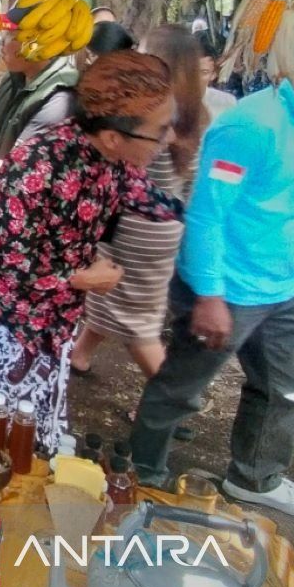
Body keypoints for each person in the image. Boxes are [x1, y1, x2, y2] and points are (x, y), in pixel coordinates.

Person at [129, 10, 294, 522]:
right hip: (229, 286)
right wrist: (209, 295)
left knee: (283, 388)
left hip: (287, 284)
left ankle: (255, 477)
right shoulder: (252, 124)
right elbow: (206, 214)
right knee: (180, 387)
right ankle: (142, 477)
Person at [0, 51, 179, 454]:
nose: (168, 139)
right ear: (113, 135)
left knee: (42, 425)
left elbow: (146, 197)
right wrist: (80, 278)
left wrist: (210, 207)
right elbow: (7, 264)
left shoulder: (111, 159)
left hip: (60, 320)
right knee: (3, 433)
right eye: (160, 131)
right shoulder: (35, 166)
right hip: (15, 325)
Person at [74, 26, 210, 379]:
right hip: (164, 226)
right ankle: (80, 354)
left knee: (139, 326)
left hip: (136, 226)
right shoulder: (196, 112)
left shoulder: (151, 113)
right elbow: (193, 179)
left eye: (144, 51)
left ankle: (168, 399)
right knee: (115, 301)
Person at [0, 9, 80, 247]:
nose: (1, 43)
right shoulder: (12, 79)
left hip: (31, 231)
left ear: (37, 42)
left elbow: (18, 170)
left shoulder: (59, 98)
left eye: (10, 37)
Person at [195, 30, 238, 120]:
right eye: (191, 71)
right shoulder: (170, 105)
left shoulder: (228, 103)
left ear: (213, 74)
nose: (196, 78)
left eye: (204, 73)